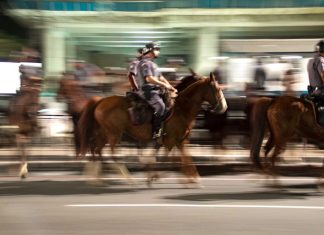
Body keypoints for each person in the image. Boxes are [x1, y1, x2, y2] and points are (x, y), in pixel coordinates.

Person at [135, 41, 177, 139]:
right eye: (157, 49)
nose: (158, 52)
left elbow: (161, 77)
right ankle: (156, 131)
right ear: (150, 51)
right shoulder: (146, 63)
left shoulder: (153, 64)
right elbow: (149, 79)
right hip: (147, 91)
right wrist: (164, 85)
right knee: (161, 107)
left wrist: (171, 87)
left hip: (155, 90)